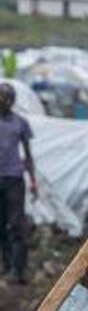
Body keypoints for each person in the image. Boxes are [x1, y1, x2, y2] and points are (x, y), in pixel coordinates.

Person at [0, 83, 38, 285]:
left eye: (7, 97)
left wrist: (33, 181)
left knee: (16, 225)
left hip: (14, 179)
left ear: (12, 101)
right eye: (1, 97)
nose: (3, 100)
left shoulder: (20, 123)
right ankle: (6, 266)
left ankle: (18, 270)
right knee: (1, 225)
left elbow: (28, 156)